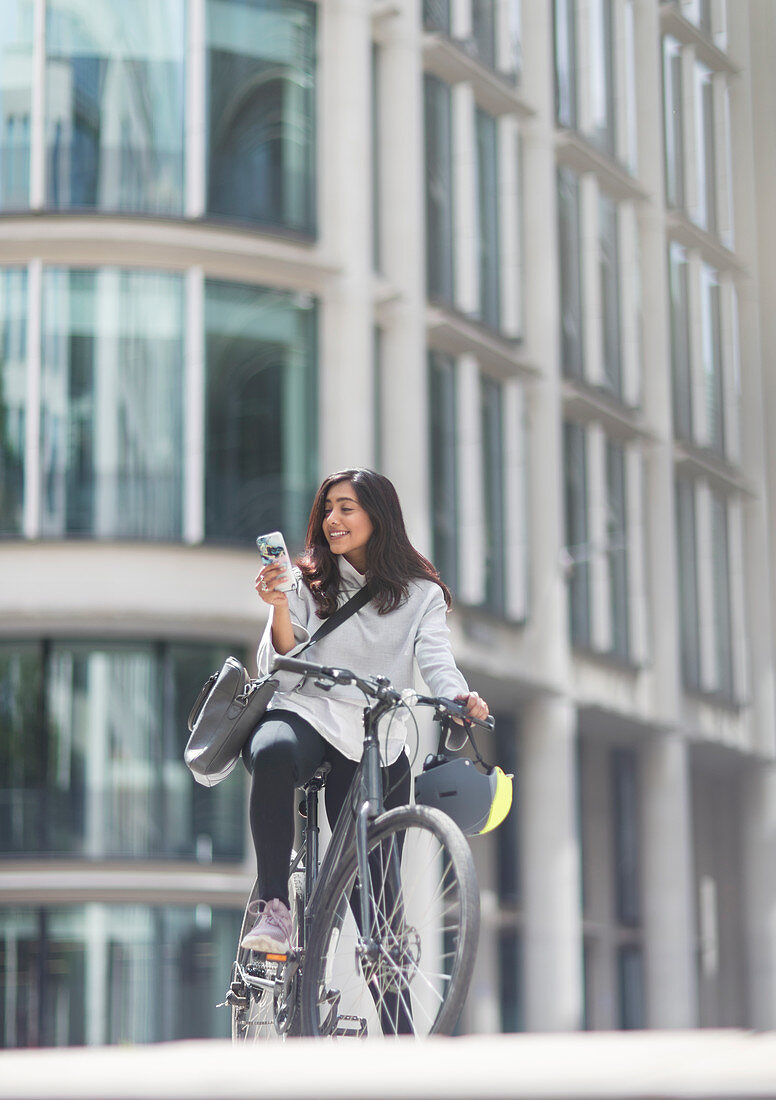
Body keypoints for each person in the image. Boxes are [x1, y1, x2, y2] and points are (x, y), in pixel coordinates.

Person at [241, 468, 489, 952]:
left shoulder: (422, 594)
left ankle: (396, 1019)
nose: (332, 518)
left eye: (346, 508)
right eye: (327, 508)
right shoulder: (302, 581)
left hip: (380, 734)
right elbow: (283, 672)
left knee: (379, 908)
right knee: (271, 749)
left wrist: (459, 698)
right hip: (309, 712)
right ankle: (274, 908)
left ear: (378, 516)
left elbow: (437, 659)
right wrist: (276, 606)